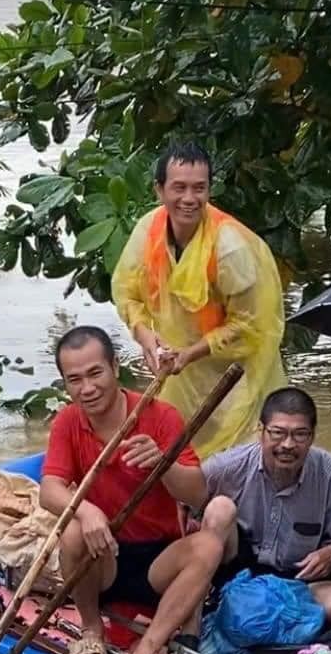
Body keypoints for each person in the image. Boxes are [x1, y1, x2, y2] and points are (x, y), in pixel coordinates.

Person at [41, 325, 236, 654]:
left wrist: (163, 465)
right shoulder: (68, 421)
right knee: (72, 531)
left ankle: (146, 652)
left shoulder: (160, 415)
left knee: (209, 547)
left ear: (115, 367)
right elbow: (49, 489)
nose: (87, 388)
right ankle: (92, 630)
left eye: (96, 373)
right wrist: (87, 510)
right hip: (104, 555)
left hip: (157, 559)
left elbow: (197, 493)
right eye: (74, 380)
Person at [111, 140, 286, 459]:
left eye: (199, 188)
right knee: (175, 457)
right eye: (179, 188)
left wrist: (190, 353)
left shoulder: (229, 248)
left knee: (238, 457)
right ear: (159, 190)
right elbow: (126, 293)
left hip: (233, 374)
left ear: (209, 190)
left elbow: (250, 326)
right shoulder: (147, 230)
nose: (189, 199)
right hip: (177, 370)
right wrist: (147, 338)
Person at [203, 387, 331, 623]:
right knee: (219, 508)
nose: (287, 444)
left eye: (300, 434)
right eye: (277, 433)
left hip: (294, 583)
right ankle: (210, 599)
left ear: (313, 436)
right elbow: (185, 494)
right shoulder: (228, 466)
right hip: (235, 573)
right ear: (260, 431)